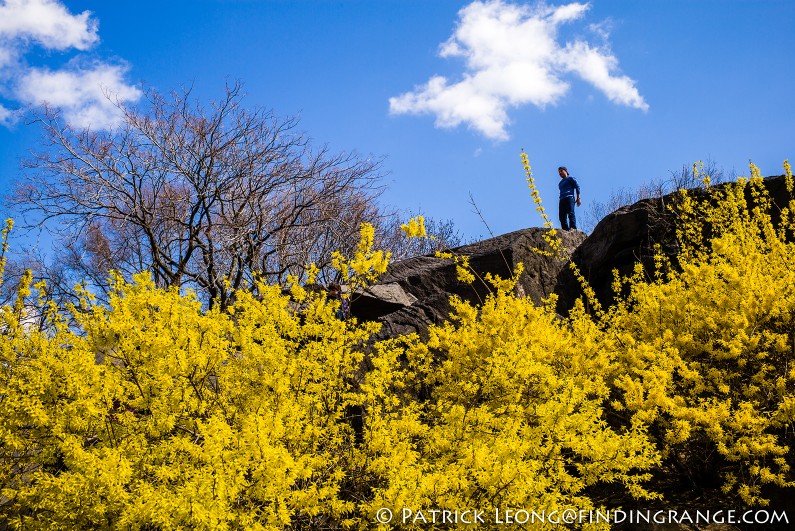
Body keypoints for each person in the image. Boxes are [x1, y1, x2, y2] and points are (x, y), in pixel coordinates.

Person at [557, 166, 581, 231]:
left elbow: (577, 187)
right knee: (561, 216)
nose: (560, 173)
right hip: (562, 199)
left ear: (566, 171)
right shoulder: (560, 183)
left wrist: (578, 198)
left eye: (561, 171)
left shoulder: (570, 178)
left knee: (570, 213)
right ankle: (565, 230)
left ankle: (573, 229)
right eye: (559, 172)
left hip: (569, 197)